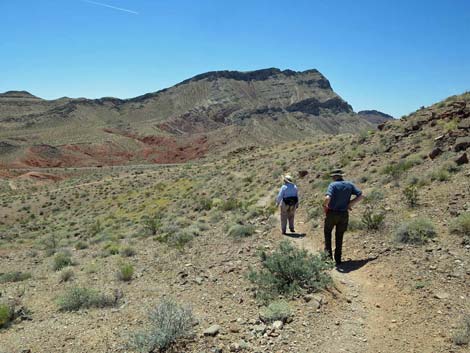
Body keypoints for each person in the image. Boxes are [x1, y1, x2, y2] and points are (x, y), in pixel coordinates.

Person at [323, 169, 363, 265]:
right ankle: (338, 259)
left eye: (333, 176)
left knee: (328, 233)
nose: (332, 178)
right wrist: (350, 204)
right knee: (339, 236)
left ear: (336, 176)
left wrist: (324, 206)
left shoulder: (333, 185)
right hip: (344, 214)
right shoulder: (349, 184)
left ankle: (328, 258)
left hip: (332, 213)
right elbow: (361, 196)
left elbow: (328, 198)